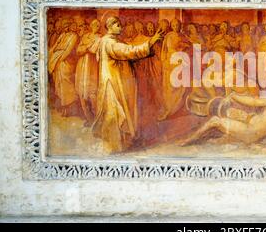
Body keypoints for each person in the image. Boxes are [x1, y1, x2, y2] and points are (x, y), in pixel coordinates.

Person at [92, 16, 162, 153]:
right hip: (114, 82)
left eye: (120, 24)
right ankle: (115, 146)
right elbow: (128, 52)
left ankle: (121, 143)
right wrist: (150, 42)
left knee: (118, 112)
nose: (120, 27)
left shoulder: (109, 41)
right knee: (117, 113)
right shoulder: (109, 42)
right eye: (117, 25)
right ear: (110, 27)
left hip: (115, 81)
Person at [181, 80, 266, 146]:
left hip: (250, 132)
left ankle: (188, 140)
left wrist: (235, 96)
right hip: (252, 123)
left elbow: (253, 102)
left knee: (215, 121)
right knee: (232, 112)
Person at [158, 18, 189, 121]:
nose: (176, 27)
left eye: (178, 25)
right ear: (172, 26)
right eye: (174, 25)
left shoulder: (182, 36)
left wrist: (184, 48)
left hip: (180, 62)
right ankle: (169, 109)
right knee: (170, 86)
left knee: (180, 86)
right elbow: (168, 49)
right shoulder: (169, 36)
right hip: (171, 61)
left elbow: (188, 46)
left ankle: (177, 108)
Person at [48, 18, 80, 116]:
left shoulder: (74, 36)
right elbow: (54, 47)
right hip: (58, 61)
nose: (66, 28)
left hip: (65, 62)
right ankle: (64, 107)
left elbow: (68, 50)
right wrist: (51, 56)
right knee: (59, 84)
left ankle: (69, 108)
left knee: (66, 84)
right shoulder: (62, 35)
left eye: (68, 26)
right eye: (65, 26)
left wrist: (59, 59)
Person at [75, 19, 101, 125]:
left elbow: (93, 50)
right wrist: (87, 48)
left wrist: (85, 48)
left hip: (92, 66)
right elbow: (78, 51)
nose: (97, 26)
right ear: (91, 26)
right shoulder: (85, 36)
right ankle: (89, 118)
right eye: (94, 25)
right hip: (82, 66)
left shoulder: (100, 38)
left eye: (98, 25)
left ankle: (96, 119)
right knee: (82, 92)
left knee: (92, 92)